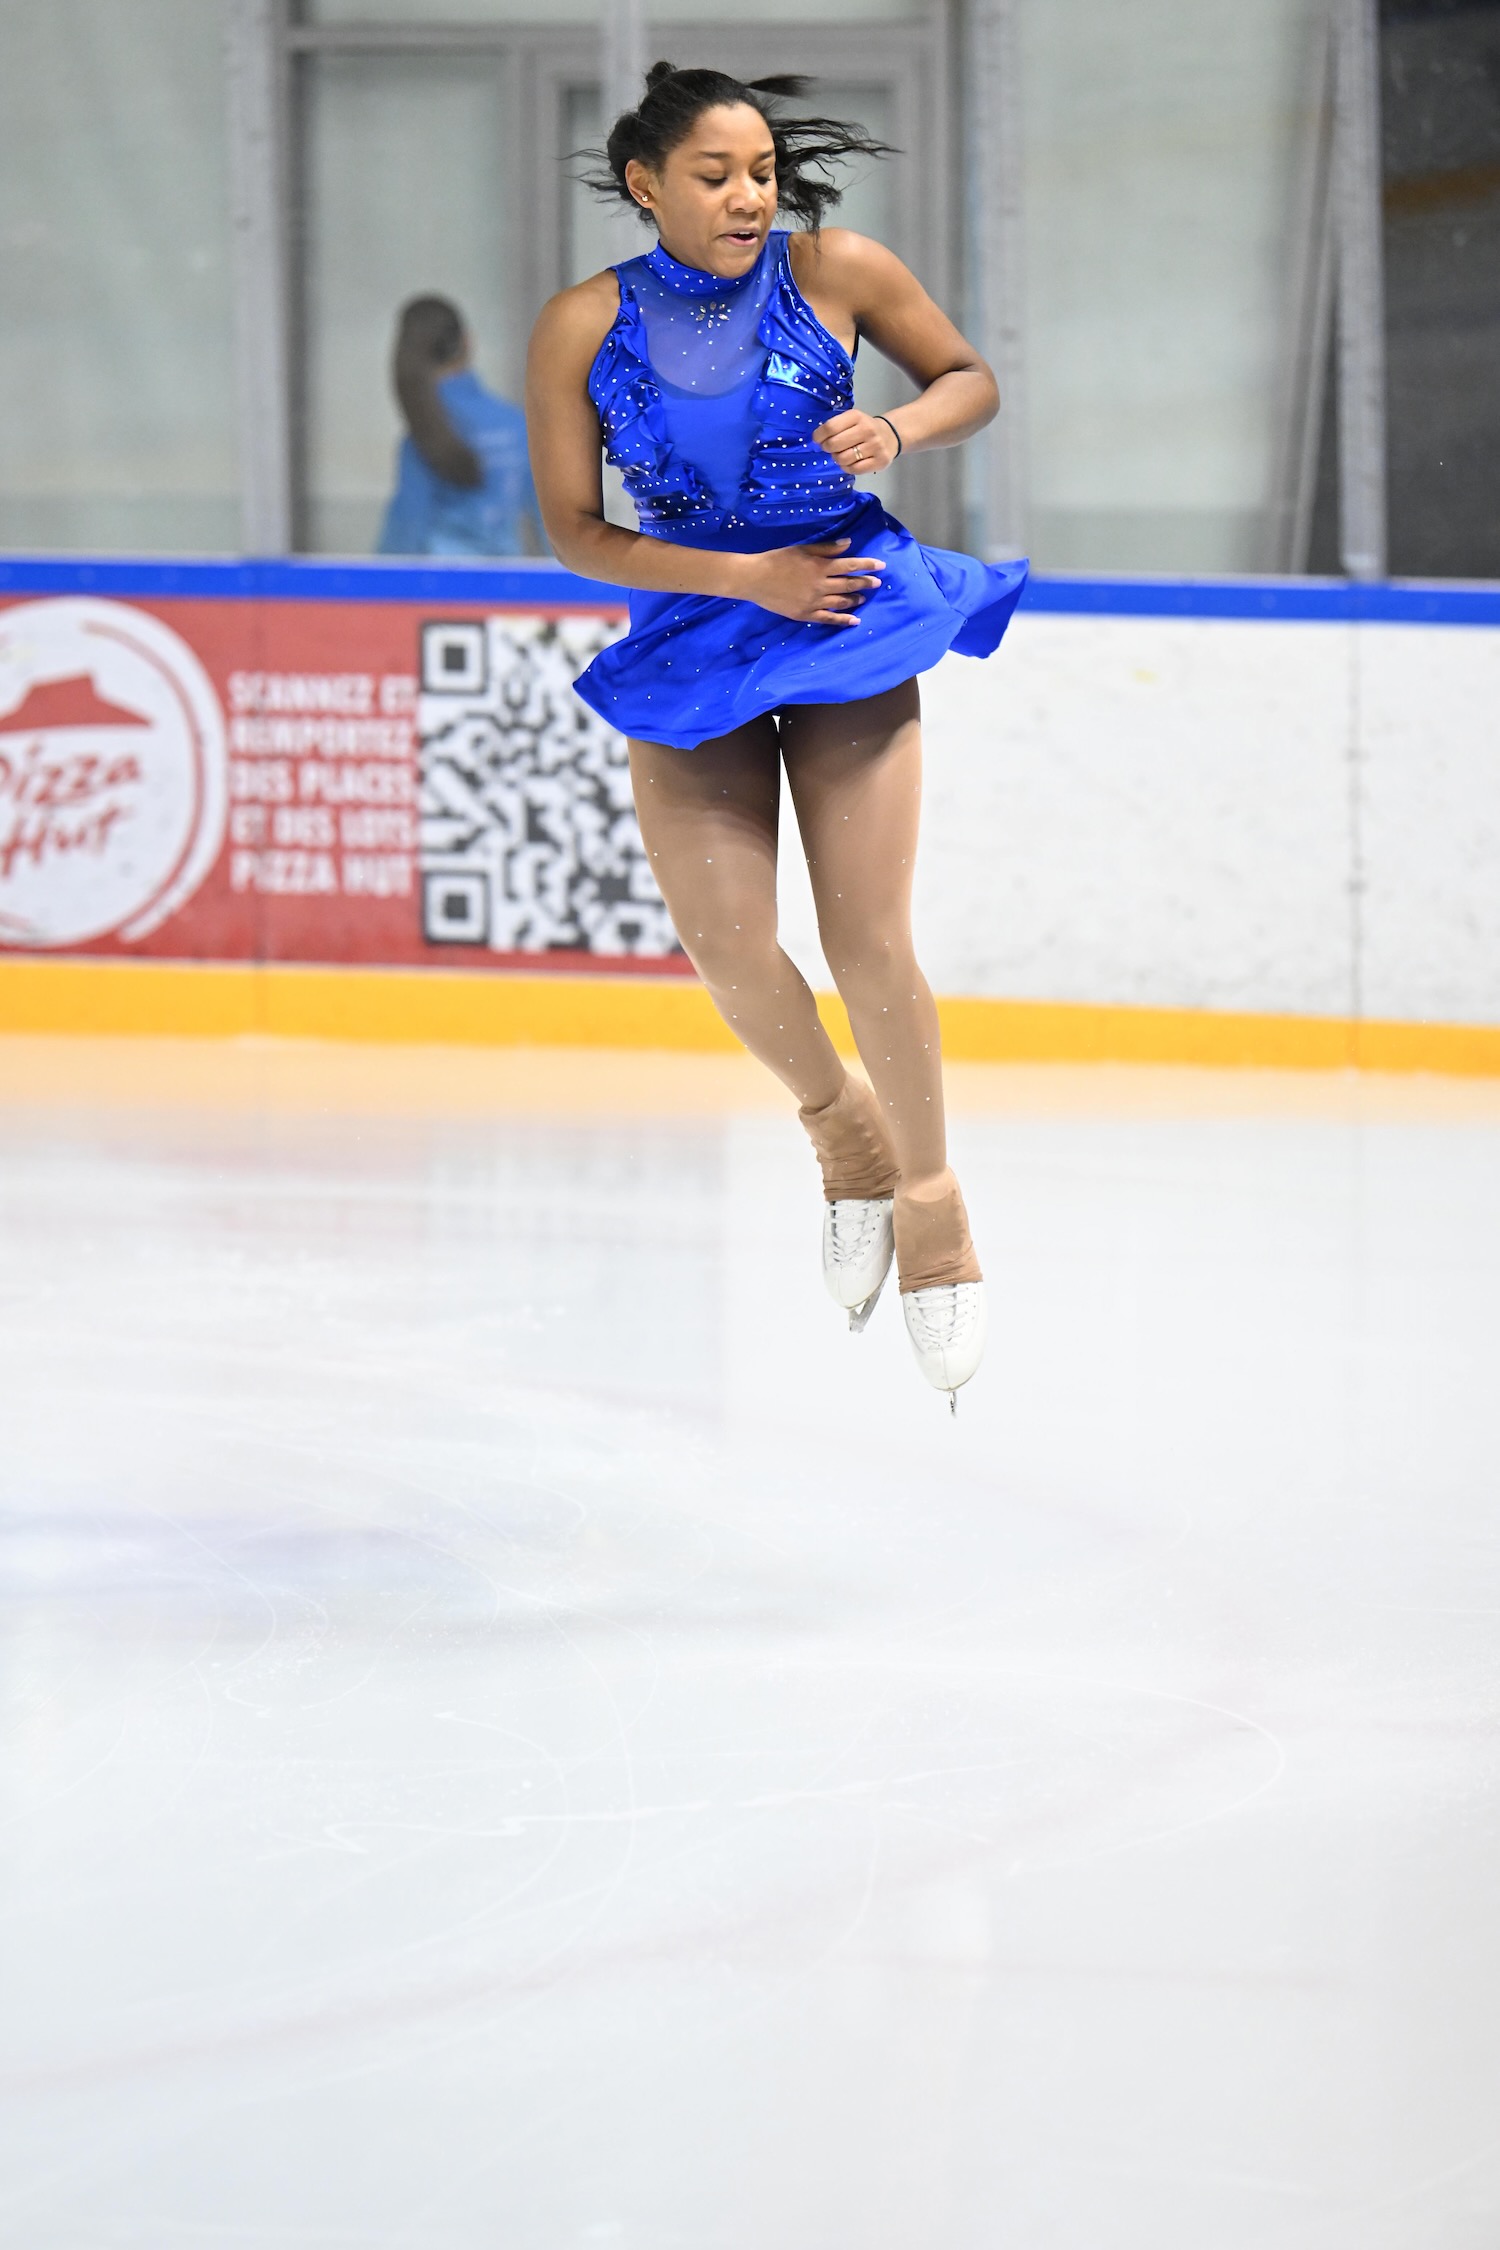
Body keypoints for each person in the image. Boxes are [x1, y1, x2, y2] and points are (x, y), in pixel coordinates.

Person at [525, 63, 1027, 1406]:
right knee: (729, 945)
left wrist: (899, 427)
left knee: (869, 941)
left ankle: (933, 1202)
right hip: (701, 627)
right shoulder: (581, 323)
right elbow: (573, 531)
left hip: (848, 609)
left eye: (761, 172)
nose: (749, 197)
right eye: (716, 176)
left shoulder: (836, 268)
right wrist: (748, 578)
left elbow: (970, 378)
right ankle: (844, 1132)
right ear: (646, 185)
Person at [377, 295, 541, 557]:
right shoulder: (517, 425)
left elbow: (404, 536)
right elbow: (550, 524)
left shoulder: (424, 434)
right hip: (507, 576)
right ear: (468, 341)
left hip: (439, 580)